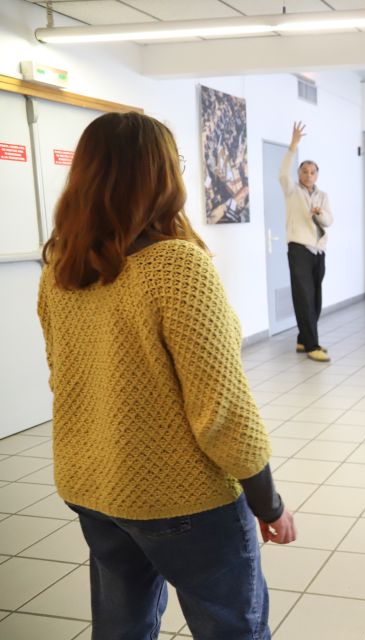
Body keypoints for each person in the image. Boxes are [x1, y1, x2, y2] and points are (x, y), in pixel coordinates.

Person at [37, 112, 297, 640]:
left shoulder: (60, 266)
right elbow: (221, 407)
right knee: (233, 629)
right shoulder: (175, 266)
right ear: (160, 177)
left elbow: (63, 379)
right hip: (181, 501)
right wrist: (266, 500)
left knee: (121, 627)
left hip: (93, 487)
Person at [280, 121, 333, 362]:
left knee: (316, 299)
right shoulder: (292, 190)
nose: (308, 175)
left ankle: (303, 339)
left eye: (312, 172)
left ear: (317, 175)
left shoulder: (322, 195)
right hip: (299, 248)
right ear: (299, 174)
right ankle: (312, 345)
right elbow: (283, 173)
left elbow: (329, 221)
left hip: (318, 250)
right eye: (304, 171)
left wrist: (318, 213)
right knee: (303, 297)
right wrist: (293, 146)